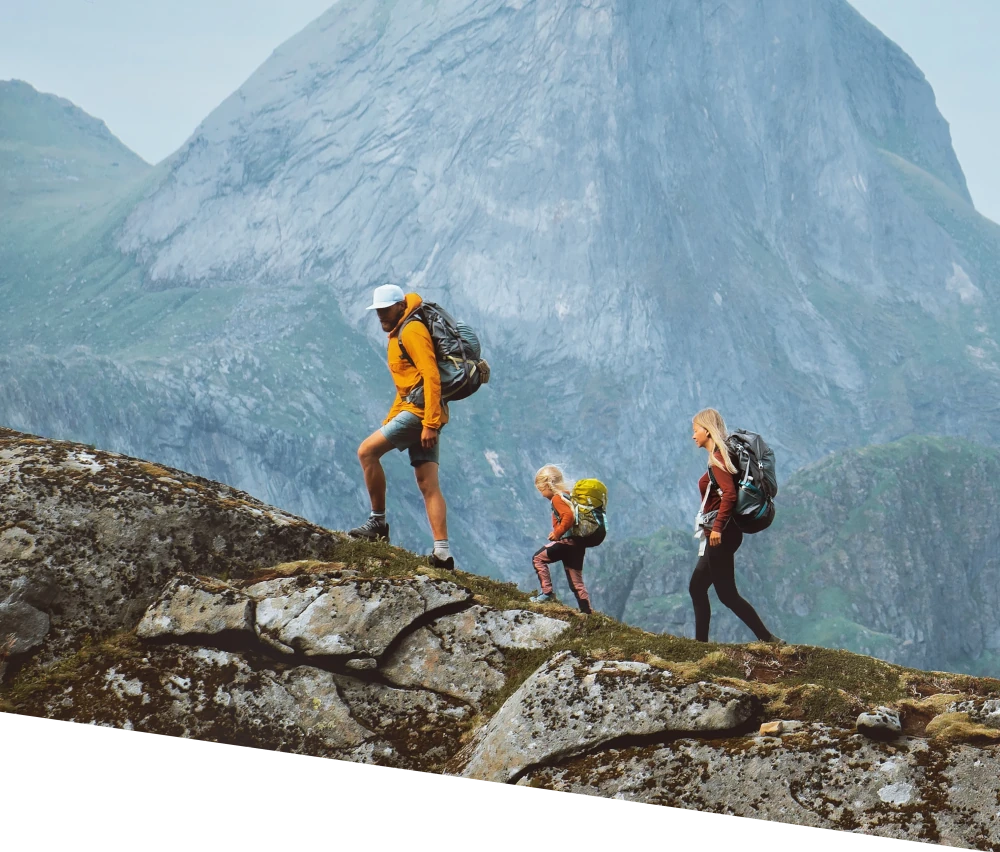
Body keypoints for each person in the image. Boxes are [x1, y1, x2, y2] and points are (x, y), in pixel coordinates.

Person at [348, 283, 454, 570]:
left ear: (399, 307)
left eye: (385, 310)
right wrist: (391, 418)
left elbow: (431, 375)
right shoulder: (398, 332)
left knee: (367, 453)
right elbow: (406, 385)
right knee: (427, 483)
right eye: (377, 312)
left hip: (421, 414)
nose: (381, 316)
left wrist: (430, 423)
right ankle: (442, 554)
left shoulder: (411, 330)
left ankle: (378, 522)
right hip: (419, 411)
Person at [689, 408, 783, 644]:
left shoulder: (719, 458)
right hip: (723, 533)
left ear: (707, 432)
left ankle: (767, 638)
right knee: (699, 588)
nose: (693, 436)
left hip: (721, 534)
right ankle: (702, 644)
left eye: (696, 430)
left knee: (726, 594)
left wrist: (718, 528)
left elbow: (730, 495)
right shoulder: (722, 456)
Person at [529, 464, 603, 615]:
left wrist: (557, 533)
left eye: (540, 488)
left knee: (538, 558)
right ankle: (586, 611)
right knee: (576, 581)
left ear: (547, 484)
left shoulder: (557, 498)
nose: (540, 491)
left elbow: (568, 517)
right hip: (577, 544)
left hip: (566, 543)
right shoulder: (568, 495)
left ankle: (547, 593)